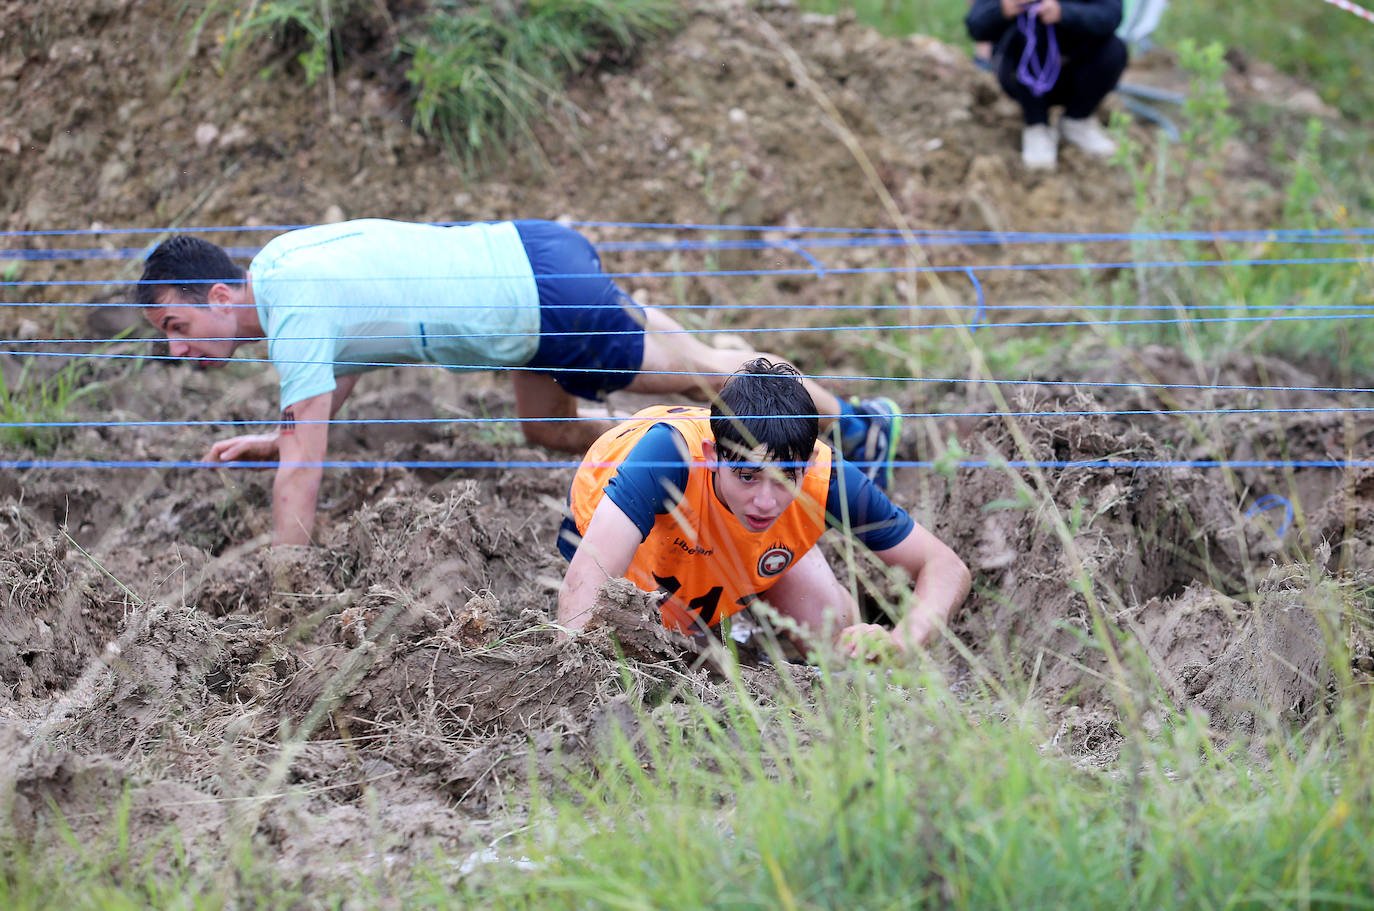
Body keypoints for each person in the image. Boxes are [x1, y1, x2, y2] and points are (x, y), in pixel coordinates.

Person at [136, 219, 902, 546]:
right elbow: (327, 385)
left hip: (536, 306)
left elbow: (304, 467)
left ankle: (861, 427)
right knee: (548, 428)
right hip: (527, 256)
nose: (178, 352)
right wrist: (286, 433)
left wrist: (283, 587)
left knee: (710, 378)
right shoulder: (279, 267)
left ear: (219, 298)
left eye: (175, 330)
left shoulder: (288, 306)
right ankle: (695, 432)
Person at [557, 358, 970, 660]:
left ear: (806, 465)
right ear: (711, 456)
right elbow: (585, 582)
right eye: (748, 476)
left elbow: (945, 566)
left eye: (786, 478)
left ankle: (757, 612)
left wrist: (901, 642)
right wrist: (571, 679)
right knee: (671, 654)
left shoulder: (826, 477)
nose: (766, 502)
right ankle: (729, 624)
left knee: (834, 639)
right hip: (644, 554)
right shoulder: (668, 456)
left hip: (741, 550)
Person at [966, 0, 1127, 171]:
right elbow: (976, 25)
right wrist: (1003, 9)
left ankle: (1077, 121)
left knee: (1114, 49)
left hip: (1077, 75)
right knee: (1029, 33)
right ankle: (1036, 126)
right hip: (1021, 77)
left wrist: (1063, 12)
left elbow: (1111, 15)